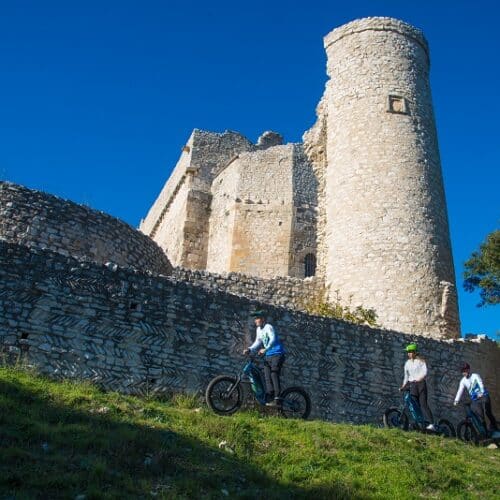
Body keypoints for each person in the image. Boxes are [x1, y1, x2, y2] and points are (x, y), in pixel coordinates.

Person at [243, 310, 285, 407]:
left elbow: (272, 338)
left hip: (277, 354)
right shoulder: (259, 330)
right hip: (268, 355)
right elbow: (258, 342)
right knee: (266, 376)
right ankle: (270, 396)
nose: (255, 321)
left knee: (273, 374)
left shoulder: (268, 327)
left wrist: (265, 349)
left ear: (262, 319)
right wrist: (249, 349)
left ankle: (277, 398)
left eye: (257, 318)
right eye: (255, 319)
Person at [454, 362, 499, 435]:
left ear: (468, 370)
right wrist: (456, 400)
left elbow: (480, 383)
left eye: (465, 370)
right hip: (475, 399)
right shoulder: (463, 381)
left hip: (483, 396)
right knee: (480, 416)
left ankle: (495, 427)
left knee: (487, 412)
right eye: (462, 371)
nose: (464, 373)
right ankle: (485, 433)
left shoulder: (475, 375)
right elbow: (460, 390)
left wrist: (482, 391)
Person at [400, 342, 436, 430]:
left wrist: (420, 378)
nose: (408, 354)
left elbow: (425, 372)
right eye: (408, 352)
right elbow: (406, 376)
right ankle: (420, 422)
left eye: (410, 352)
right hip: (412, 385)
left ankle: (432, 424)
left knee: (423, 404)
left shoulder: (421, 361)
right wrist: (403, 386)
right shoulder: (407, 363)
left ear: (415, 352)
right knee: (415, 405)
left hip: (421, 384)